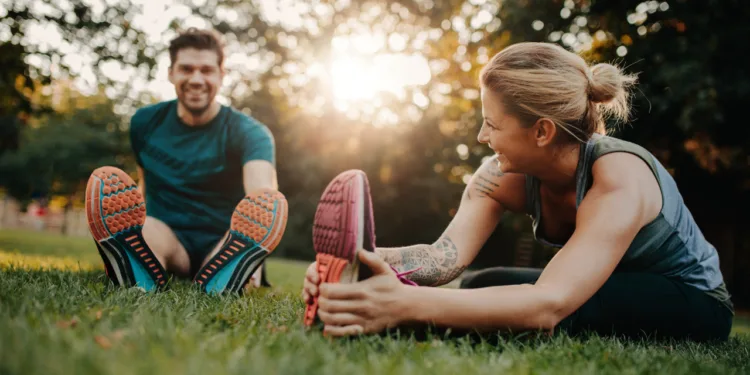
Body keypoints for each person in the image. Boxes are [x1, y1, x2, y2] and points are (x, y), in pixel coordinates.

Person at [302, 42, 734, 342]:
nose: (480, 135)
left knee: (555, 312)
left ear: (542, 131)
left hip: (688, 298)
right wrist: (360, 266)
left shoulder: (618, 176)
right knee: (480, 285)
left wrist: (402, 306)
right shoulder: (500, 175)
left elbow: (548, 303)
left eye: (492, 123)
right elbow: (441, 259)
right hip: (609, 285)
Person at [85, 27, 288, 294]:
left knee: (235, 244)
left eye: (206, 70)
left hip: (223, 239)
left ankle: (237, 267)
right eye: (186, 69)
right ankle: (133, 265)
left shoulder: (250, 133)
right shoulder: (145, 123)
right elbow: (145, 182)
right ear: (171, 73)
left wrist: (259, 250)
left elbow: (262, 198)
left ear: (221, 75)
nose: (196, 79)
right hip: (168, 236)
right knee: (144, 233)